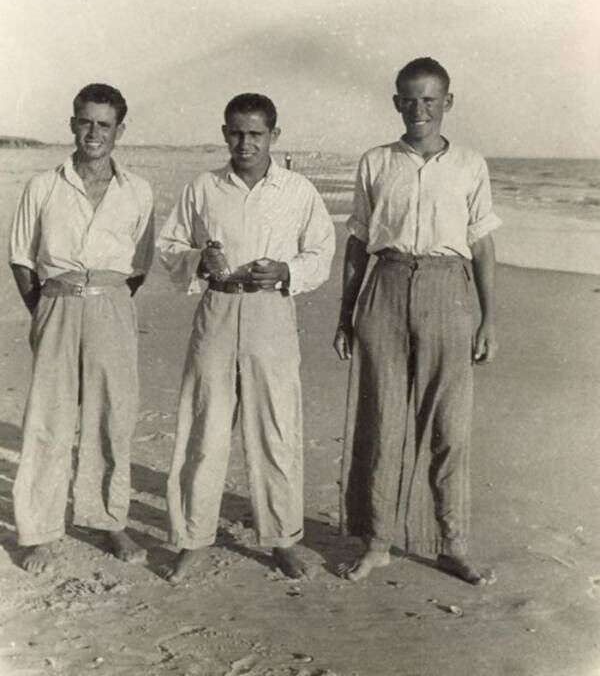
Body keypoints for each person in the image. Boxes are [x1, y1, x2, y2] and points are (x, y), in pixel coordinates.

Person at [334, 58, 501, 585]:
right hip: (384, 287)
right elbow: (358, 242)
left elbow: (481, 244)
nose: (418, 109)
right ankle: (377, 542)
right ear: (396, 103)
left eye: (429, 100)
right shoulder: (376, 162)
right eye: (409, 99)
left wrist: (488, 319)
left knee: (448, 427)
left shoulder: (470, 164)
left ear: (447, 102)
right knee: (380, 422)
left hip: (449, 292)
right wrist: (345, 314)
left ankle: (450, 545)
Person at [157, 93, 335, 582]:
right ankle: (193, 538)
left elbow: (321, 252)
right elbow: (169, 245)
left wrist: (286, 271)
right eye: (236, 133)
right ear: (224, 133)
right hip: (217, 309)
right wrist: (199, 259)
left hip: (271, 312)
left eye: (256, 133)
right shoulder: (204, 187)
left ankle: (283, 539)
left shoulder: (297, 190)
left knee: (275, 429)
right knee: (204, 427)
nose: (245, 143)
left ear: (274, 135)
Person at [9, 83, 154, 574]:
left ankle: (107, 519)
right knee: (47, 421)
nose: (94, 133)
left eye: (104, 124)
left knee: (112, 418)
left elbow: (139, 264)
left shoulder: (138, 190)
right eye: (86, 122)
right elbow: (22, 259)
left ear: (119, 130)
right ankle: (39, 531)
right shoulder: (43, 186)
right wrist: (45, 310)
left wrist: (107, 304)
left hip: (112, 308)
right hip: (56, 304)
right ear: (72, 124)